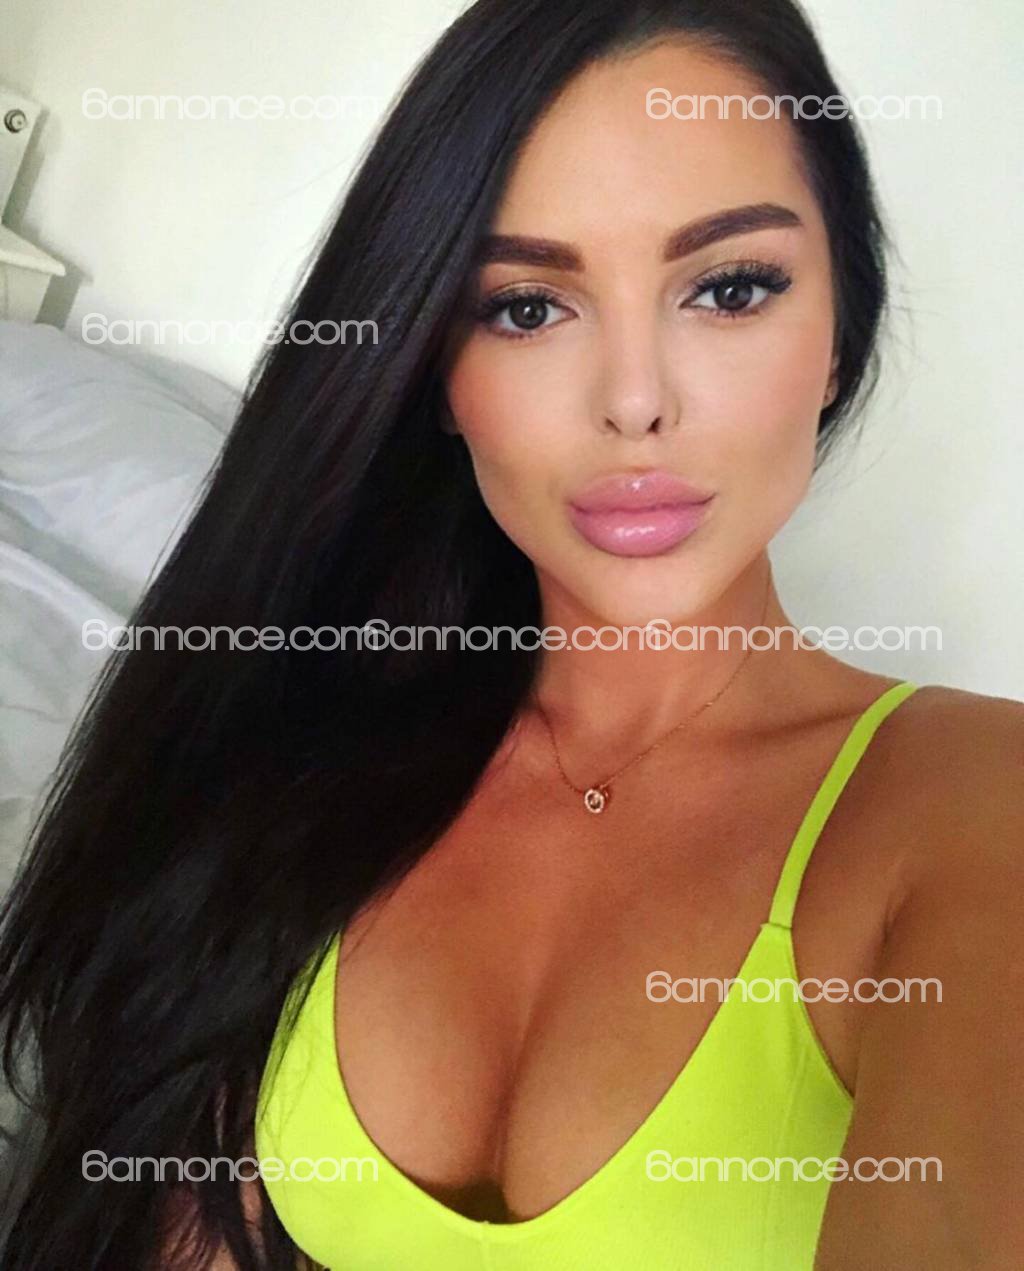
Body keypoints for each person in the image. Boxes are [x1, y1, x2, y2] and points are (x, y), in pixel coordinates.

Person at [1, 1, 1020, 1268]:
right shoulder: (300, 743)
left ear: (836, 337)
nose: (635, 401)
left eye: (729, 287)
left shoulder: (971, 807)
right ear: (437, 367)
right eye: (527, 307)